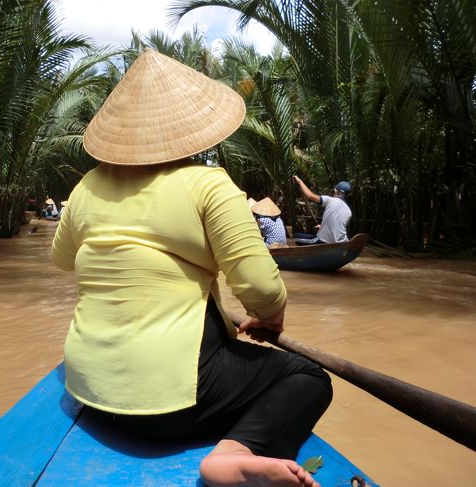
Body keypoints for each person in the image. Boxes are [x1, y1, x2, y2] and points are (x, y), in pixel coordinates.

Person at [52, 49, 331, 487]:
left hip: (88, 388)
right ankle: (234, 454)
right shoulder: (208, 182)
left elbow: (63, 259)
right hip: (171, 406)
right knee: (308, 375)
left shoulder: (86, 187)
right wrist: (271, 319)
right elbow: (261, 287)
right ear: (191, 129)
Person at [292, 176, 352, 245]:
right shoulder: (349, 211)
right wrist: (322, 227)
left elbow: (309, 195)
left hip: (324, 242)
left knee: (297, 236)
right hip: (342, 242)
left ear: (335, 191)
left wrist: (299, 181)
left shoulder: (330, 200)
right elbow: (338, 226)